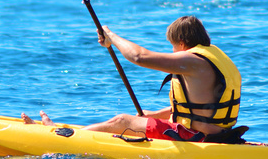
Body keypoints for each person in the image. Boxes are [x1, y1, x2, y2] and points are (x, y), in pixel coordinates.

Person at [21, 16, 242, 142]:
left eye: (173, 46)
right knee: (133, 120)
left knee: (122, 122)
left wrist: (111, 36)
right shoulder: (217, 57)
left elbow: (138, 56)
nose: (173, 50)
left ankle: (59, 138)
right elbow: (200, 108)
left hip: (195, 138)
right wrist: (153, 115)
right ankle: (69, 132)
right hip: (221, 135)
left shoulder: (192, 59)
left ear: (182, 42)